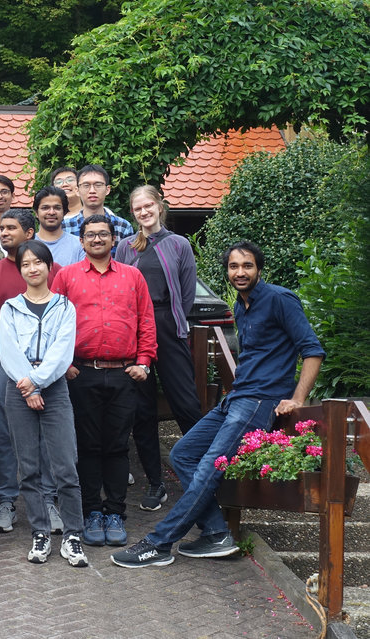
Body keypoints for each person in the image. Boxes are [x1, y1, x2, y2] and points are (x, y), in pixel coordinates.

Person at [112, 241, 325, 568]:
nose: (240, 272)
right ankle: (216, 533)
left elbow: (312, 350)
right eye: (234, 266)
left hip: (259, 401)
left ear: (258, 268)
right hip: (237, 398)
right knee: (183, 453)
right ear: (226, 271)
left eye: (247, 266)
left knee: (212, 465)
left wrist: (296, 399)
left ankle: (158, 543)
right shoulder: (242, 306)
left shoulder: (281, 300)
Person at [51, 214, 157, 548]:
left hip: (125, 373)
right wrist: (64, 363)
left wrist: (144, 362)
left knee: (116, 445)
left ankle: (115, 511)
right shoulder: (66, 277)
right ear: (80, 241)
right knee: (87, 444)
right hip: (82, 372)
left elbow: (146, 322)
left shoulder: (133, 277)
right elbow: (52, 323)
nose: (97, 239)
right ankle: (91, 511)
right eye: (90, 235)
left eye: (103, 234)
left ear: (114, 239)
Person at [114, 185, 205, 512]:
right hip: (135, 330)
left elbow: (186, 293)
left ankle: (203, 471)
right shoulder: (125, 247)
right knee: (142, 410)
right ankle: (156, 483)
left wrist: (170, 320)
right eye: (137, 208)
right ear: (133, 213)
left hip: (167, 325)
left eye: (148, 205)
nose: (143, 212)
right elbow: (121, 290)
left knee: (185, 402)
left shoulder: (179, 244)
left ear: (159, 206)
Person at [0, 240, 87, 568]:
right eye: (26, 264)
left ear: (49, 266)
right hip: (19, 390)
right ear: (19, 269)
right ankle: (39, 531)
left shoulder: (65, 307)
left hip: (54, 389)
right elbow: (8, 350)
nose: (33, 268)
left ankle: (73, 534)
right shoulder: (10, 307)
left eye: (39, 262)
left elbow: (63, 351)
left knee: (65, 464)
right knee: (30, 467)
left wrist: (37, 382)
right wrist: (27, 386)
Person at [0, 209, 62, 536]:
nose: (3, 233)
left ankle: (49, 500)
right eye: (1, 228)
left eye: (11, 228)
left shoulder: (54, 271)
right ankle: (7, 501)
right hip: (1, 366)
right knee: (3, 436)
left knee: (46, 437)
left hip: (45, 367)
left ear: (30, 233)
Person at [61, 165, 133, 240]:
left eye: (98, 185)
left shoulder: (123, 227)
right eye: (86, 185)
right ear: (77, 190)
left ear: (107, 190)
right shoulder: (64, 227)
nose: (92, 191)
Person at [33, 186, 86, 267]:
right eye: (45, 208)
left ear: (64, 212)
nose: (51, 212)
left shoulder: (79, 245)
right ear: (36, 213)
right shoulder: (27, 244)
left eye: (57, 208)